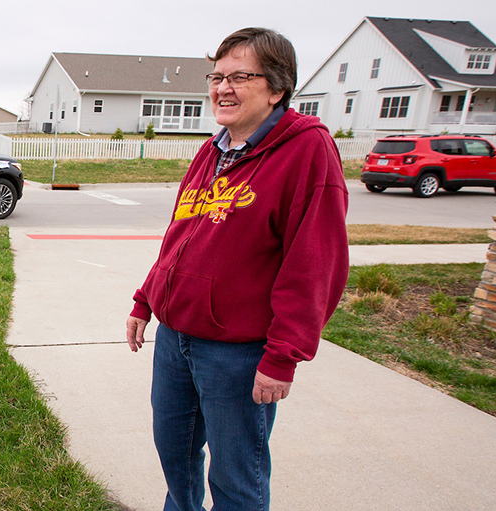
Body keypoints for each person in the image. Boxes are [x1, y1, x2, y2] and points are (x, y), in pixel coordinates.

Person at [125, 27, 349, 511]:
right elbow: (179, 238)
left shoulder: (306, 151)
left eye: (240, 76)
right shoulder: (214, 150)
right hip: (175, 339)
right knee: (176, 457)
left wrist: (283, 355)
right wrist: (146, 300)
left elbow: (315, 263)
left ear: (276, 88)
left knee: (236, 477)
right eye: (217, 76)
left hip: (237, 353)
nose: (222, 87)